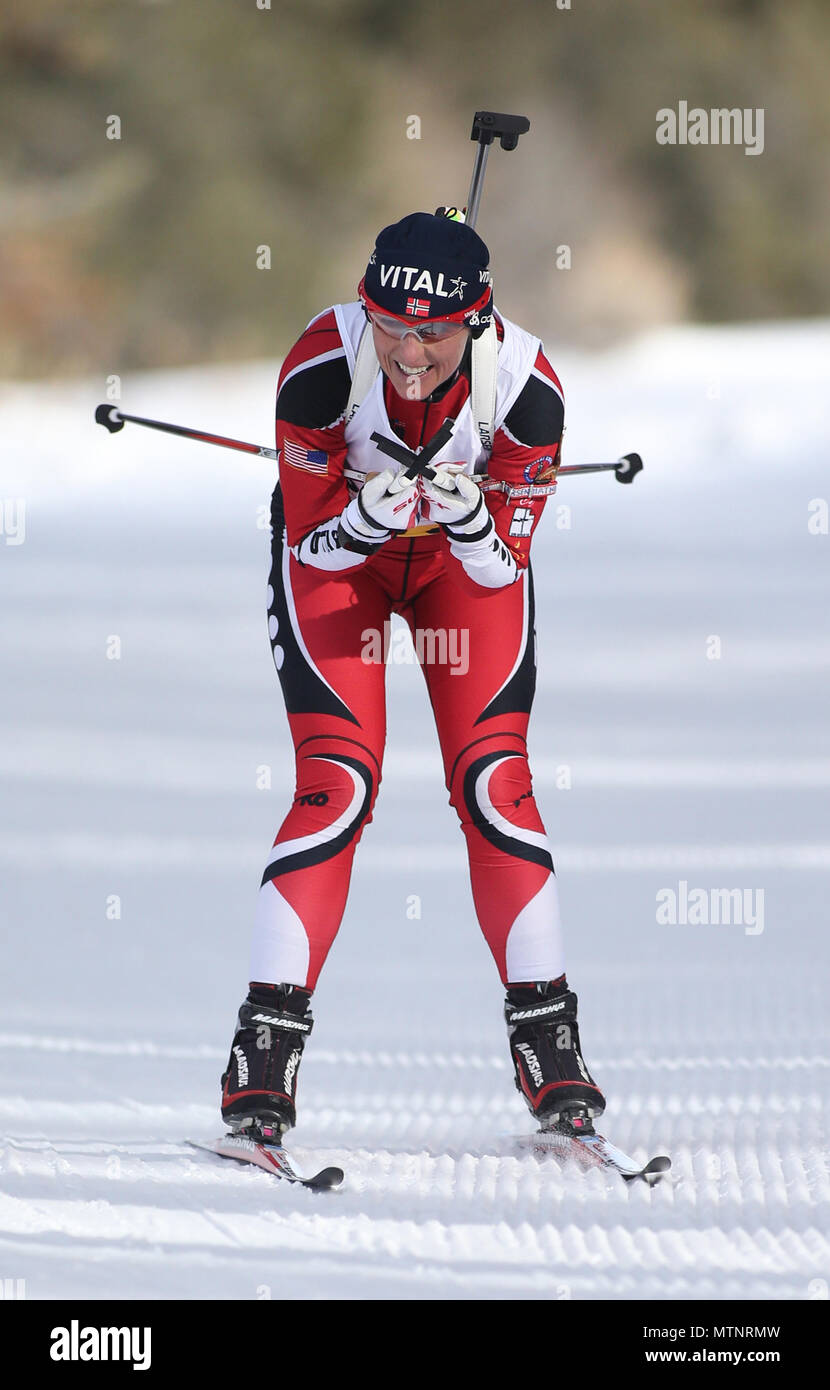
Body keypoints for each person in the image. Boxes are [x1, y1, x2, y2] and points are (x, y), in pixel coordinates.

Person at [220, 209, 605, 1144]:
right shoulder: (320, 363)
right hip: (340, 566)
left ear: (476, 320)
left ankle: (548, 1041)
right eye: (390, 328)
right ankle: (264, 1050)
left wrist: (474, 521)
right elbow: (312, 538)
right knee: (338, 785)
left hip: (456, 578)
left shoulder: (526, 392)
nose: (407, 355)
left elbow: (499, 567)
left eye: (432, 334)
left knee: (495, 784)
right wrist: (365, 519)